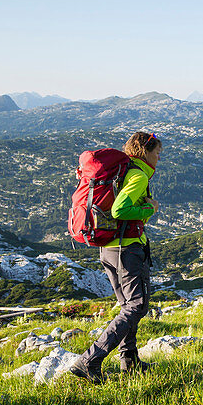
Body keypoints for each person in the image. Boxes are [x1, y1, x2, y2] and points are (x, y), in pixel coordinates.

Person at [70, 131, 161, 383]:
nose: (158, 158)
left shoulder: (122, 171)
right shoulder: (138, 175)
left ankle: (129, 361)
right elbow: (120, 209)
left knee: (127, 305)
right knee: (136, 305)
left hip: (109, 248)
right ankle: (90, 359)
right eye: (156, 153)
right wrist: (149, 208)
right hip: (128, 249)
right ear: (145, 152)